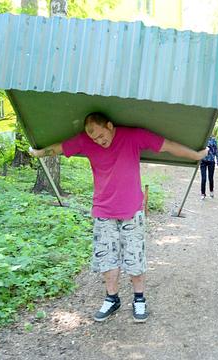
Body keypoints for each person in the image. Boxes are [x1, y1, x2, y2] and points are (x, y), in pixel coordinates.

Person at [29, 112, 208, 323]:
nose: (98, 141)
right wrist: (40, 152)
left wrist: (195, 156)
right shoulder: (85, 141)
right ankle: (112, 299)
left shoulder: (133, 136)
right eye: (94, 138)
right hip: (103, 211)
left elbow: (167, 145)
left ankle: (139, 299)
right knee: (106, 257)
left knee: (134, 256)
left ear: (110, 125)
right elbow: (58, 148)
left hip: (131, 210)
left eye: (101, 135)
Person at [200, 135, 218, 200]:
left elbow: (216, 150)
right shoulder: (201, 138)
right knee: (203, 178)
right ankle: (203, 193)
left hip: (211, 161)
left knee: (210, 178)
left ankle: (211, 190)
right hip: (202, 161)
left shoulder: (213, 139)